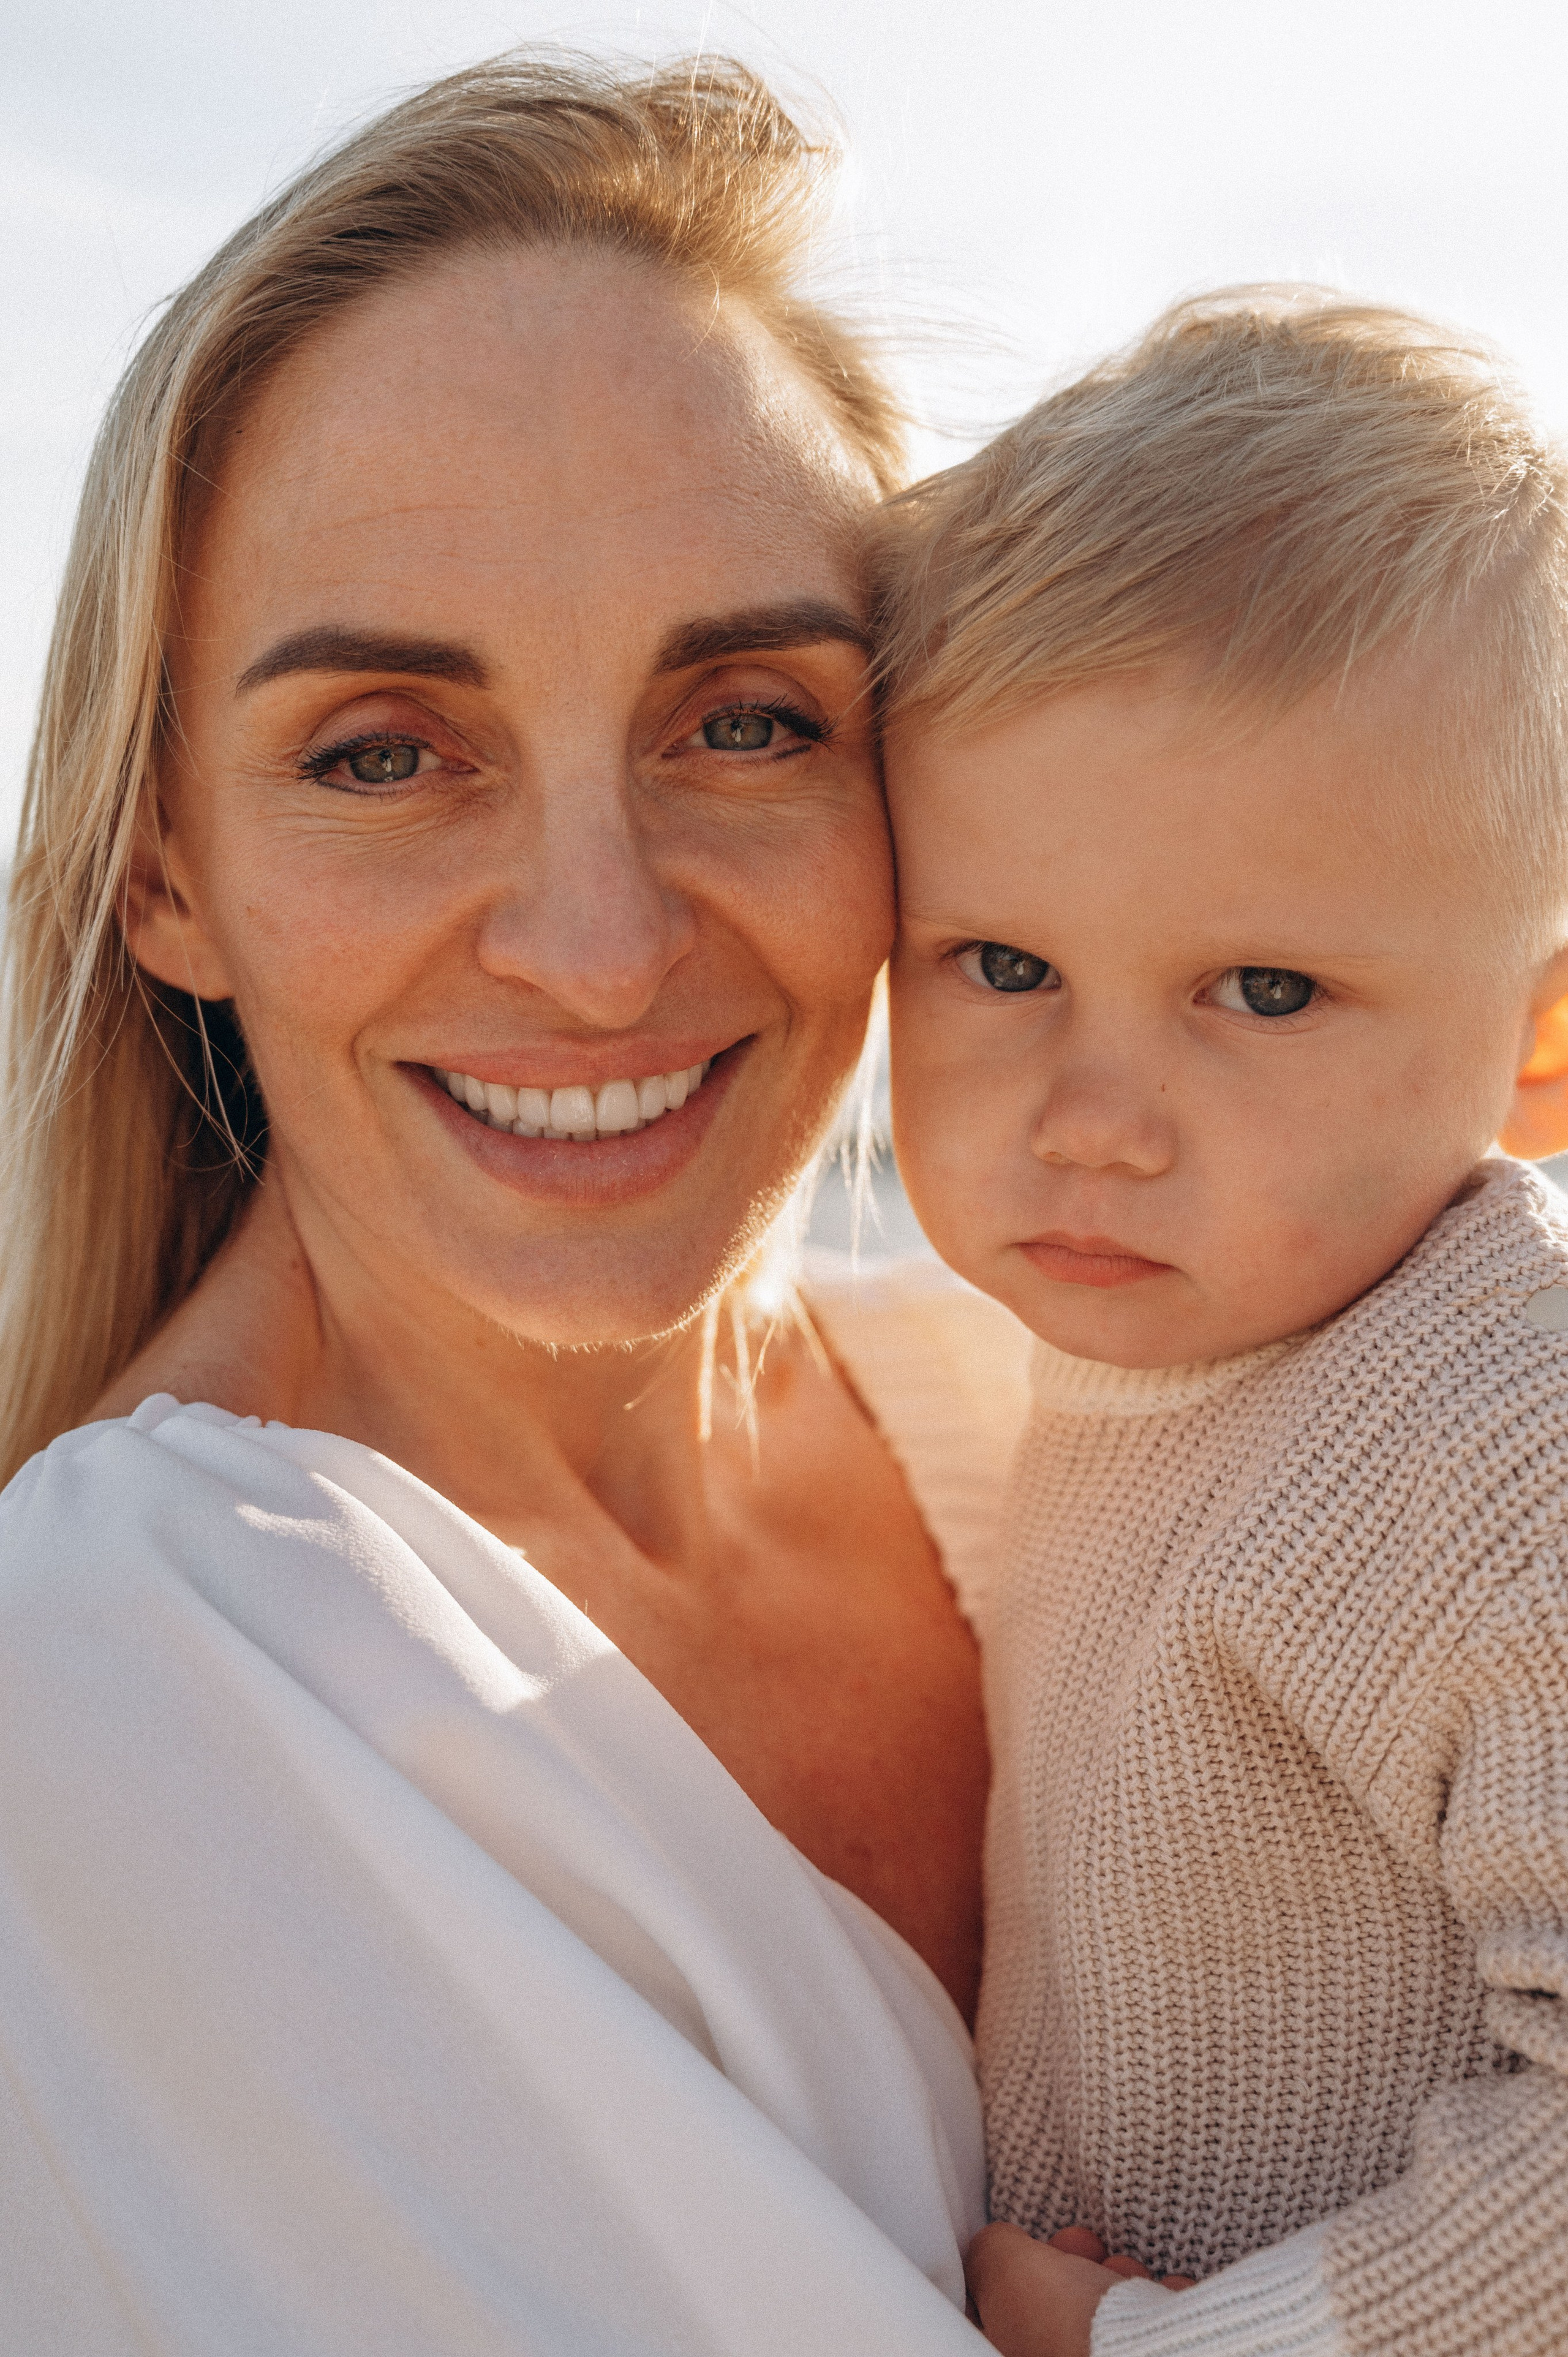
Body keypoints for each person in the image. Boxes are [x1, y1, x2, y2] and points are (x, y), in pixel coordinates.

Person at [0, 54, 1033, 2353]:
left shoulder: (1064, 1435)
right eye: (385, 755)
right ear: (164, 868)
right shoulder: (109, 1683)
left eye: (747, 719)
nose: (599, 941)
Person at [874, 292, 1568, 2355]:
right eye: (1001, 962)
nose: (1091, 1124)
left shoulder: (1504, 1429)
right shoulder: (1176, 1331)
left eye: (1261, 994)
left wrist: (1179, 2351)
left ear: (1538, 1045)